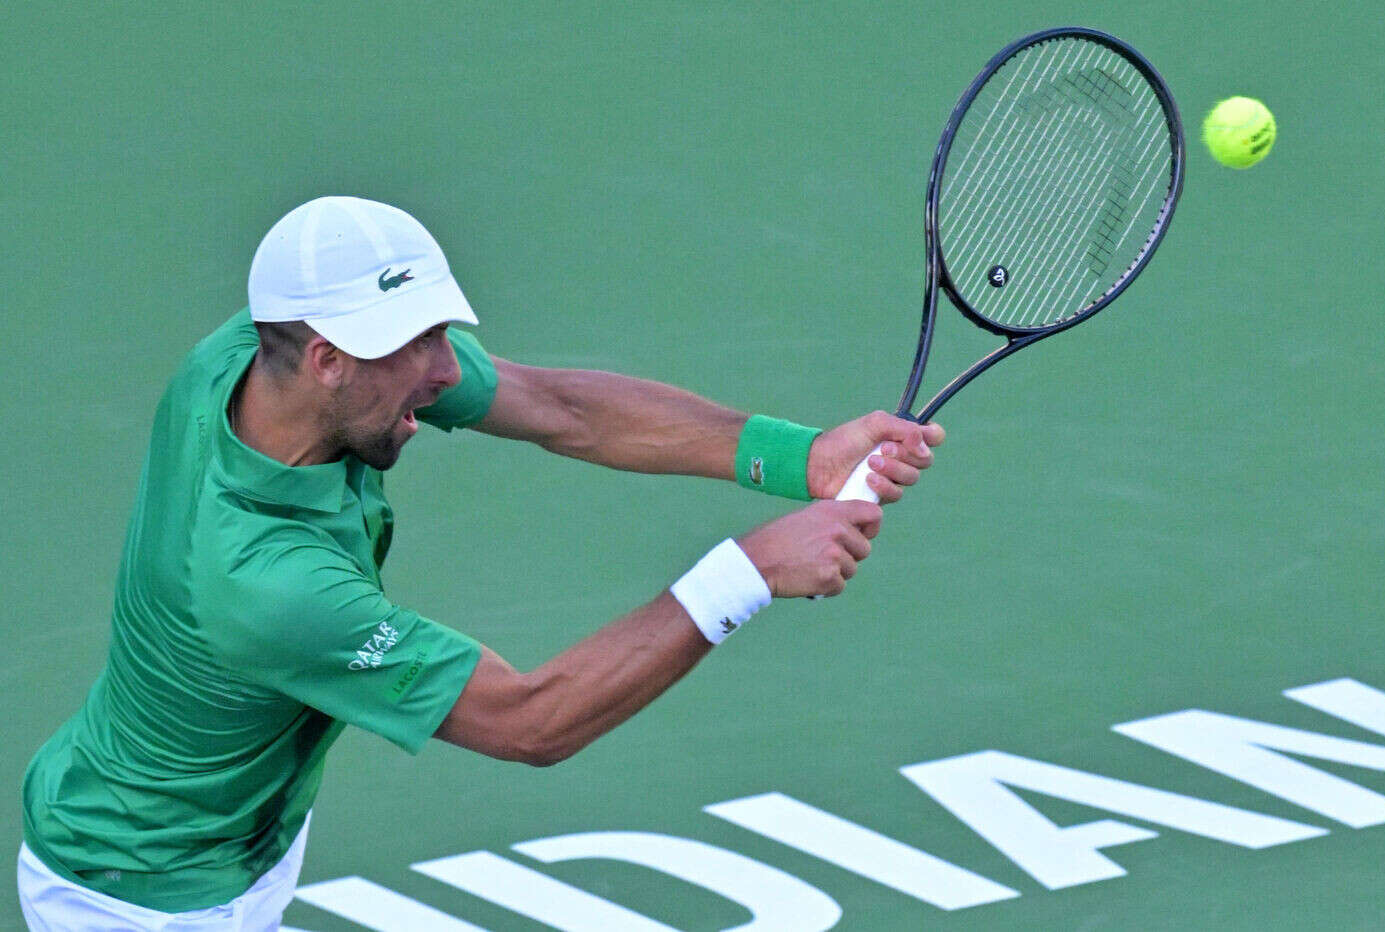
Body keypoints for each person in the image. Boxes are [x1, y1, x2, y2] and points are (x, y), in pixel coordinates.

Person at [18, 196, 944, 929]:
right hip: (152, 899)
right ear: (331, 359)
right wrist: (748, 569)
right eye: (416, 344)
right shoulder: (268, 586)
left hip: (201, 832)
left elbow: (557, 408)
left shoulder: (254, 357)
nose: (447, 369)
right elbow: (532, 720)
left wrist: (803, 456)